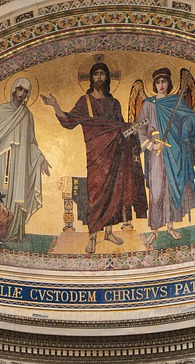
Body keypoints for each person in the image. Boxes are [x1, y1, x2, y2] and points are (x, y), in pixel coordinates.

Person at [42, 62, 148, 254]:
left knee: (115, 192)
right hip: (96, 155)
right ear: (91, 78)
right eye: (96, 74)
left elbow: (120, 127)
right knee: (95, 194)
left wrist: (133, 129)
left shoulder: (113, 103)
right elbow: (68, 121)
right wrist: (55, 106)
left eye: (102, 74)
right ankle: (93, 236)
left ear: (107, 78)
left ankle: (108, 232)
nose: (99, 77)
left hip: (116, 153)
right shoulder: (85, 102)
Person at [133, 67, 195, 241]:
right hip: (156, 154)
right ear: (154, 84)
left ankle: (170, 227)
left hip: (174, 151)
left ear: (169, 83)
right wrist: (151, 145)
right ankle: (155, 230)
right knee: (156, 190)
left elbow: (191, 118)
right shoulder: (149, 104)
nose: (161, 85)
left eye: (164, 81)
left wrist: (186, 128)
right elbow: (139, 128)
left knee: (171, 189)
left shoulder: (175, 101)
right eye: (158, 82)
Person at [0, 77, 51, 242]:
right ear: (14, 89)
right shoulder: (3, 110)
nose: (22, 94)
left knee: (16, 195)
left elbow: (31, 142)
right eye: (20, 89)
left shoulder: (27, 115)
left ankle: (12, 234)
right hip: (2, 159)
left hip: (19, 164)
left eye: (26, 91)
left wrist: (41, 158)